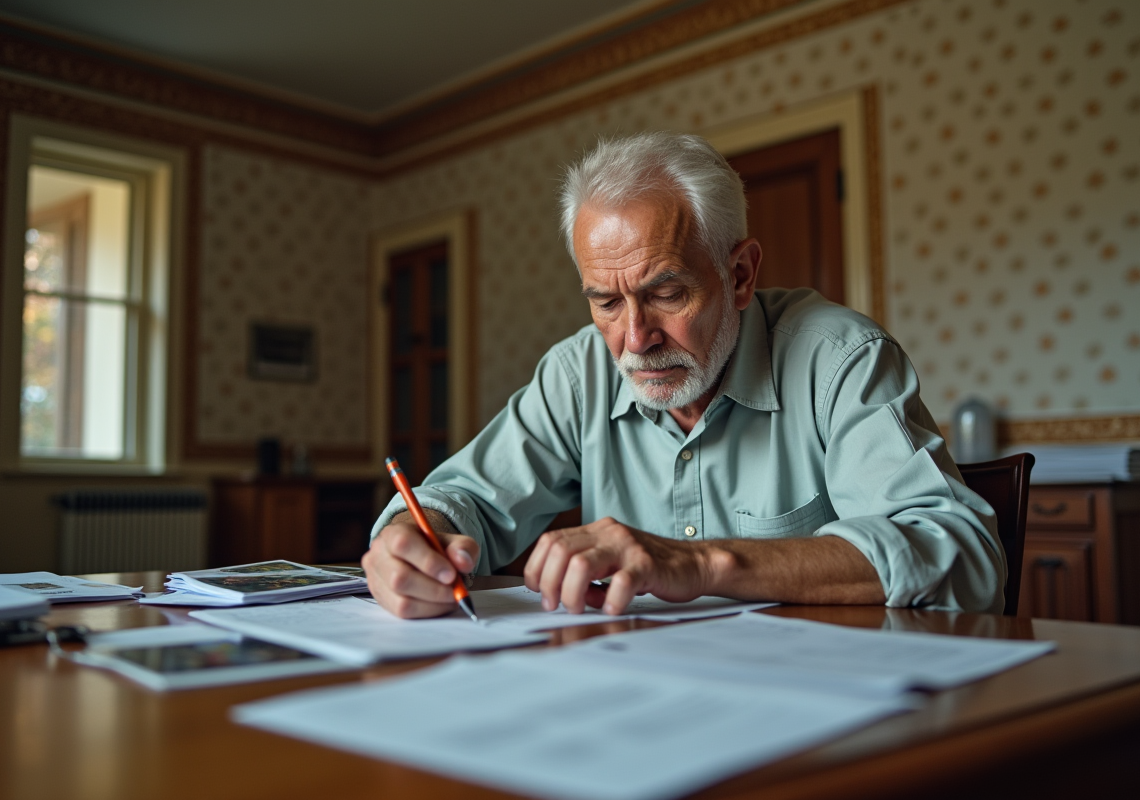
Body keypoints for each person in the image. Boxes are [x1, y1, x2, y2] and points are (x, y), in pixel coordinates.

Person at [363, 132, 1004, 619]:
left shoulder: (841, 360)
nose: (635, 339)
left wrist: (700, 562)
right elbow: (462, 499)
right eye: (606, 303)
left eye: (667, 293)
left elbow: (961, 553)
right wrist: (408, 541)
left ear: (741, 275)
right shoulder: (577, 373)